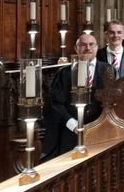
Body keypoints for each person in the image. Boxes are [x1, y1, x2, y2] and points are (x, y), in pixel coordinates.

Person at [41, 33, 111, 161]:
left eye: (91, 44)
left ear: (97, 47)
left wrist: (97, 126)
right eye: (83, 45)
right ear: (76, 48)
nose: (88, 48)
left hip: (99, 132)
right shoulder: (64, 73)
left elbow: (113, 102)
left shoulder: (108, 70)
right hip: (70, 132)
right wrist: (74, 126)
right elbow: (56, 104)